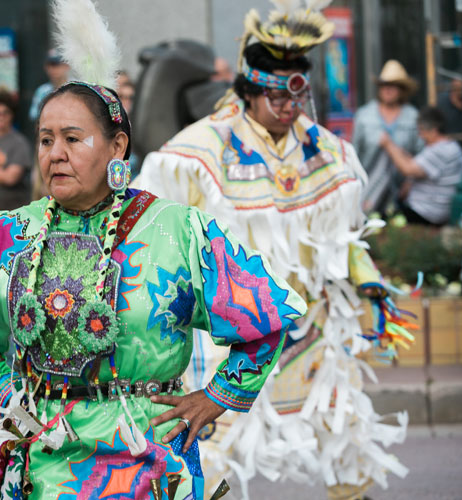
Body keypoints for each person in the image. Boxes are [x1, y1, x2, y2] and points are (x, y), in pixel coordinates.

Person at [0, 1, 306, 498]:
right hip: (39, 461)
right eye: (44, 140)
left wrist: (215, 398)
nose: (53, 153)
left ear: (117, 146)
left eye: (72, 138)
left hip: (146, 459)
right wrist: (8, 395)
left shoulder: (177, 230)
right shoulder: (7, 234)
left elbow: (267, 319)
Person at [135, 4, 414, 500]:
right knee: (208, 445)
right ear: (247, 90)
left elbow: (342, 235)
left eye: (296, 91)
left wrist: (366, 281)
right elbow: (152, 223)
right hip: (234, 333)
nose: (287, 105)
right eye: (273, 92)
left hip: (309, 328)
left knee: (341, 428)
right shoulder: (201, 151)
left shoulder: (326, 152)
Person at [353, 60, 423, 214]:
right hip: (368, 189)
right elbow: (354, 154)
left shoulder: (413, 117)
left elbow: (420, 155)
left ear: (402, 90)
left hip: (402, 194)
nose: (388, 89)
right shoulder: (364, 115)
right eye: (384, 85)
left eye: (393, 85)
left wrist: (410, 183)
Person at [380, 106, 462, 226]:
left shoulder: (441, 150)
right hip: (425, 209)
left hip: (428, 213)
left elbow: (408, 169)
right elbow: (417, 164)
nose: (420, 136)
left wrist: (388, 144)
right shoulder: (447, 146)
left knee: (380, 221)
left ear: (434, 130)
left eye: (421, 131)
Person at [28, 49, 70, 123]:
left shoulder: (78, 86)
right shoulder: (42, 91)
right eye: (50, 65)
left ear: (66, 66)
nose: (52, 69)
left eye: (57, 64)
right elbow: (33, 115)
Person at [437, 77, 462, 144]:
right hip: (447, 144)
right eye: (455, 88)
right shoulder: (442, 103)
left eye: (461, 89)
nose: (459, 91)